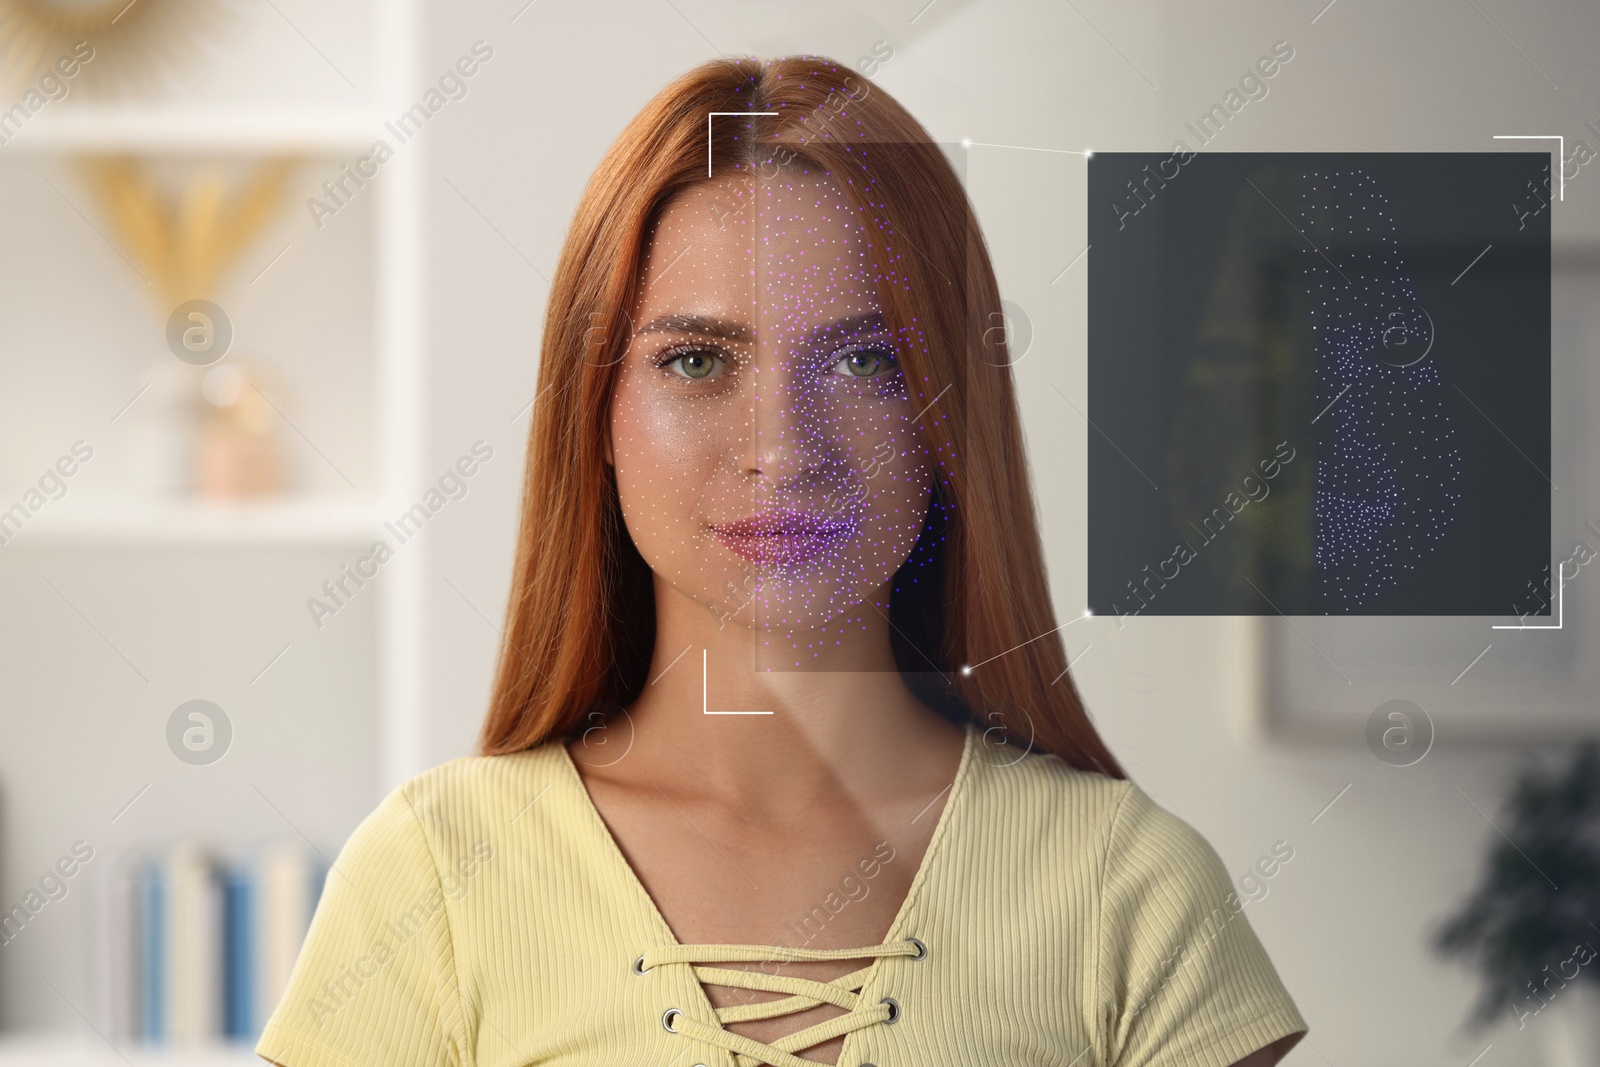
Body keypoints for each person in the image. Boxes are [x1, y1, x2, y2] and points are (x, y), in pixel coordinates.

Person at [255, 54, 1308, 1067]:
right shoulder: (426, 877)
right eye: (698, 360)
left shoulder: (1133, 893)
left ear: (950, 414)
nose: (785, 447)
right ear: (598, 414)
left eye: (867, 359)